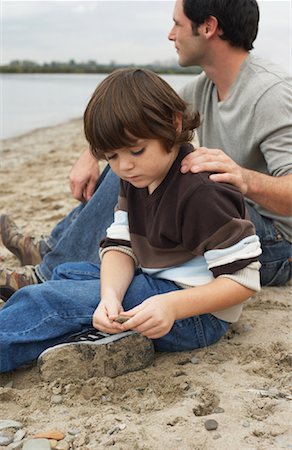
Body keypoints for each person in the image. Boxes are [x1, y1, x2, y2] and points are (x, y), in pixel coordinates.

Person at [0, 0, 291, 298]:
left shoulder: (270, 93)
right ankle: (51, 247)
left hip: (274, 245)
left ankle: (46, 273)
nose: (170, 34)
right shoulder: (204, 86)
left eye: (177, 24)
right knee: (135, 159)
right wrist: (91, 154)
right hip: (228, 215)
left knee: (134, 166)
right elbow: (135, 123)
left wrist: (244, 178)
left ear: (208, 27)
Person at [0, 68, 261, 372]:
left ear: (174, 124)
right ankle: (101, 336)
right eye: (111, 157)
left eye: (136, 150)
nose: (124, 165)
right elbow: (120, 246)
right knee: (70, 273)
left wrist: (170, 306)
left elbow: (243, 281)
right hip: (157, 286)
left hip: (196, 315)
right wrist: (109, 296)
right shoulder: (139, 175)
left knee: (46, 301)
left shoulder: (201, 190)